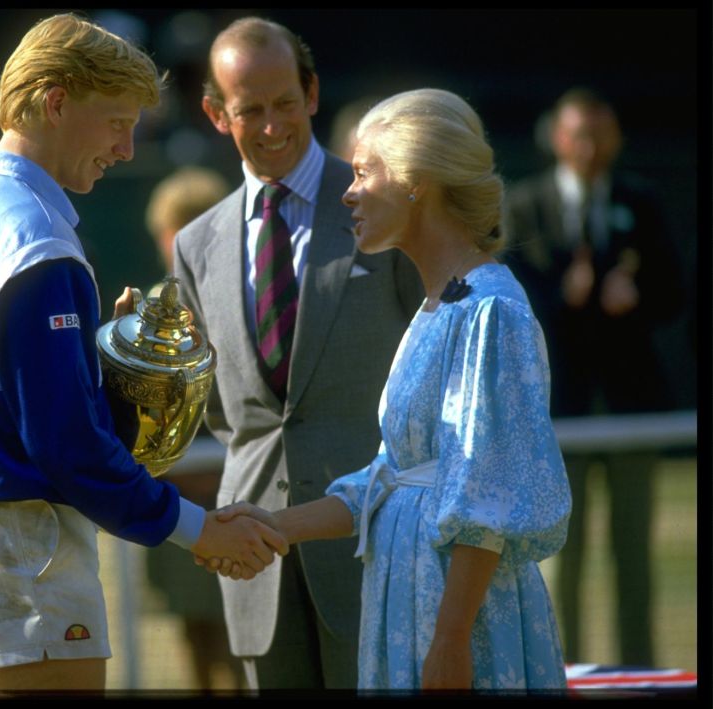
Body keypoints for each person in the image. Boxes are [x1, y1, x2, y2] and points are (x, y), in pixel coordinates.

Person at [0, 14, 287, 693]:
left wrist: (93, 363)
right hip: (26, 549)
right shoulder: (35, 236)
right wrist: (199, 529)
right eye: (116, 122)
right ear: (56, 103)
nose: (128, 148)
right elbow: (67, 445)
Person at [211, 88, 572, 691]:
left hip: (458, 620)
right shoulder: (438, 307)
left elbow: (485, 494)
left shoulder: (490, 311)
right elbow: (391, 480)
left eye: (362, 172)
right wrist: (272, 524)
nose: (348, 192)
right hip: (409, 601)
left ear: (414, 182)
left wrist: (450, 640)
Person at [173, 17, 424, 690]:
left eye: (285, 101)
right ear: (216, 114)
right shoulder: (195, 245)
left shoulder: (385, 204)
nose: (271, 125)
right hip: (253, 559)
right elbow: (221, 412)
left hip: (378, 546)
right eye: (249, 109)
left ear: (312, 93)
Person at [501, 88, 684, 666]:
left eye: (601, 135)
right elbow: (512, 296)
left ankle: (639, 672)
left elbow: (675, 290)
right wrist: (563, 296)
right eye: (580, 135)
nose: (590, 147)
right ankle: (562, 671)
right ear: (558, 138)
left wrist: (637, 294)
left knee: (634, 552)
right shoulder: (525, 205)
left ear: (617, 139)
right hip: (558, 409)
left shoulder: (641, 200)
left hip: (630, 404)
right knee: (562, 554)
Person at [141, 166, 245, 690]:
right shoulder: (153, 309)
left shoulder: (245, 296)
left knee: (240, 632)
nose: (175, 243)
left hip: (238, 493)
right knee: (192, 629)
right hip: (176, 500)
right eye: (169, 231)